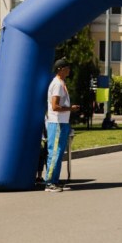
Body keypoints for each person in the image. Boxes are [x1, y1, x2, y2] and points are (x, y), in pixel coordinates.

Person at [45, 58, 80, 192]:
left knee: (59, 153)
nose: (69, 70)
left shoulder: (62, 83)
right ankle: (49, 183)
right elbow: (54, 106)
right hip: (57, 123)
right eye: (67, 67)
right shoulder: (57, 84)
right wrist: (71, 109)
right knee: (55, 153)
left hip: (62, 122)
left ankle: (55, 181)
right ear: (61, 69)